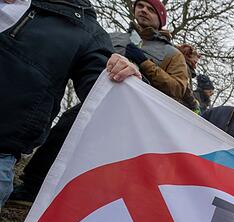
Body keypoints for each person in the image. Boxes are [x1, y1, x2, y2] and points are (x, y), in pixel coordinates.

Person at [0, 0, 140, 209]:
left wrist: (130, 74)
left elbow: (109, 93)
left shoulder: (87, 31)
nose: (144, 11)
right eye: (142, 7)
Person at [110, 0, 189, 105]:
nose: (144, 10)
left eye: (151, 9)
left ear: (160, 20)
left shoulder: (172, 53)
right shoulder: (113, 37)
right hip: (99, 98)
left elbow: (178, 89)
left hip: (136, 109)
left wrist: (145, 63)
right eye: (140, 6)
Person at [177, 43, 201, 113]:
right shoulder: (184, 67)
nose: (195, 66)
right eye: (194, 62)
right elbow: (185, 86)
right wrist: (194, 103)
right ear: (188, 57)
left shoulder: (184, 66)